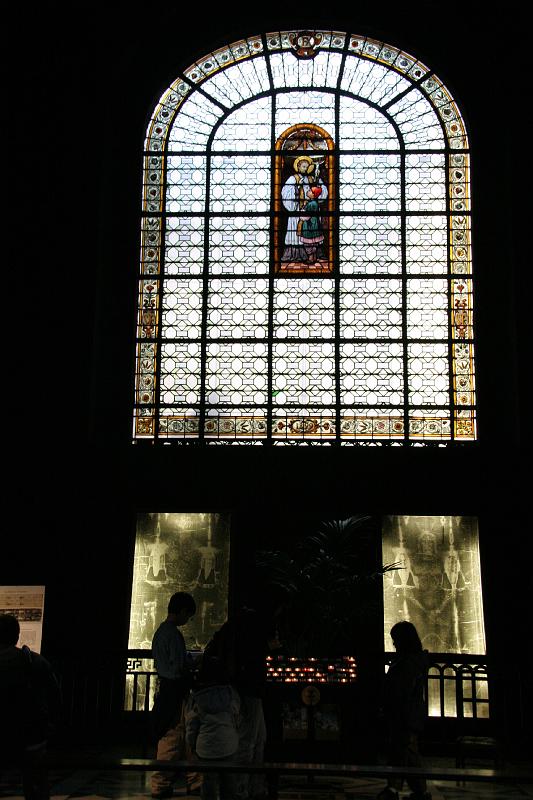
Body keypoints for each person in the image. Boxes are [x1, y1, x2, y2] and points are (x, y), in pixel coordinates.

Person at [0, 613, 61, 800]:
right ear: (17, 636)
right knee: (37, 784)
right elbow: (54, 697)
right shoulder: (35, 661)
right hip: (31, 738)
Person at [377, 621, 432, 800]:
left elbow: (401, 690)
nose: (393, 643)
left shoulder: (407, 663)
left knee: (403, 751)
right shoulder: (414, 661)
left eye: (395, 639)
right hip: (408, 714)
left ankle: (398, 789)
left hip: (404, 714)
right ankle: (415, 790)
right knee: (407, 752)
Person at [151, 592, 197, 799]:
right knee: (178, 735)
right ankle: (191, 782)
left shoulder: (161, 632)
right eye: (189, 615)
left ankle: (163, 783)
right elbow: (179, 667)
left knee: (172, 735)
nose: (188, 620)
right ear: (183, 611)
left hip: (166, 689)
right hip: (176, 691)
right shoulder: (174, 635)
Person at [185, 654, 240, 800]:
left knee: (208, 783)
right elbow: (237, 715)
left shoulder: (197, 697)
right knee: (229, 783)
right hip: (228, 745)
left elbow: (191, 725)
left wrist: (191, 743)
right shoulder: (229, 693)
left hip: (206, 748)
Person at [281, 155, 328, 265]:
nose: (306, 169)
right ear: (298, 166)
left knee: (312, 233)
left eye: (307, 167)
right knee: (297, 233)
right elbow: (286, 195)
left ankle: (315, 254)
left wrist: (318, 189)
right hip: (298, 212)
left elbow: (323, 192)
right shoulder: (293, 179)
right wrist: (296, 192)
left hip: (312, 213)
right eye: (303, 166)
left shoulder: (314, 178)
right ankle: (296, 255)